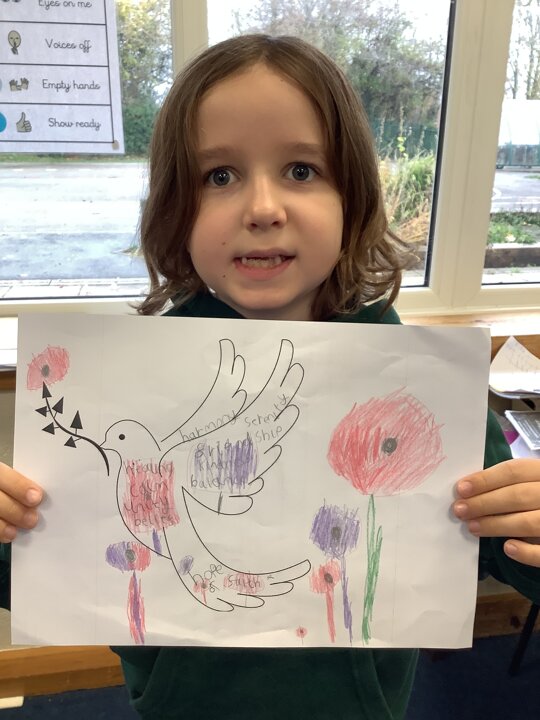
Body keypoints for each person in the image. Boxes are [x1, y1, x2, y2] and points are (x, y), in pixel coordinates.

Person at [1, 34, 540, 720]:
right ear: (175, 206)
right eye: (219, 176)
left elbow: (503, 549)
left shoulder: (417, 388)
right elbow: (51, 565)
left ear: (352, 198)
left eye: (301, 170)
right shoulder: (126, 382)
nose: (262, 207)